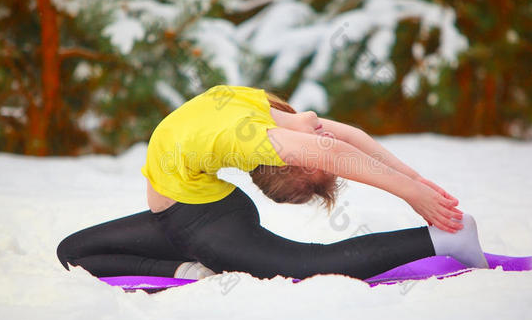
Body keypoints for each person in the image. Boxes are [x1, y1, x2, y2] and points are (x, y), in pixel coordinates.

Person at [57, 85, 488, 282]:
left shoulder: (254, 131)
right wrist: (414, 188)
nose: (323, 141)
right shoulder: (261, 113)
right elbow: (344, 142)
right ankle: (185, 269)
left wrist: (416, 185)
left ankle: (442, 242)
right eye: (315, 157)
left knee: (307, 265)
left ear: (284, 159)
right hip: (190, 221)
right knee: (72, 251)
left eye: (313, 161)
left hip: (202, 222)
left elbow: (339, 147)